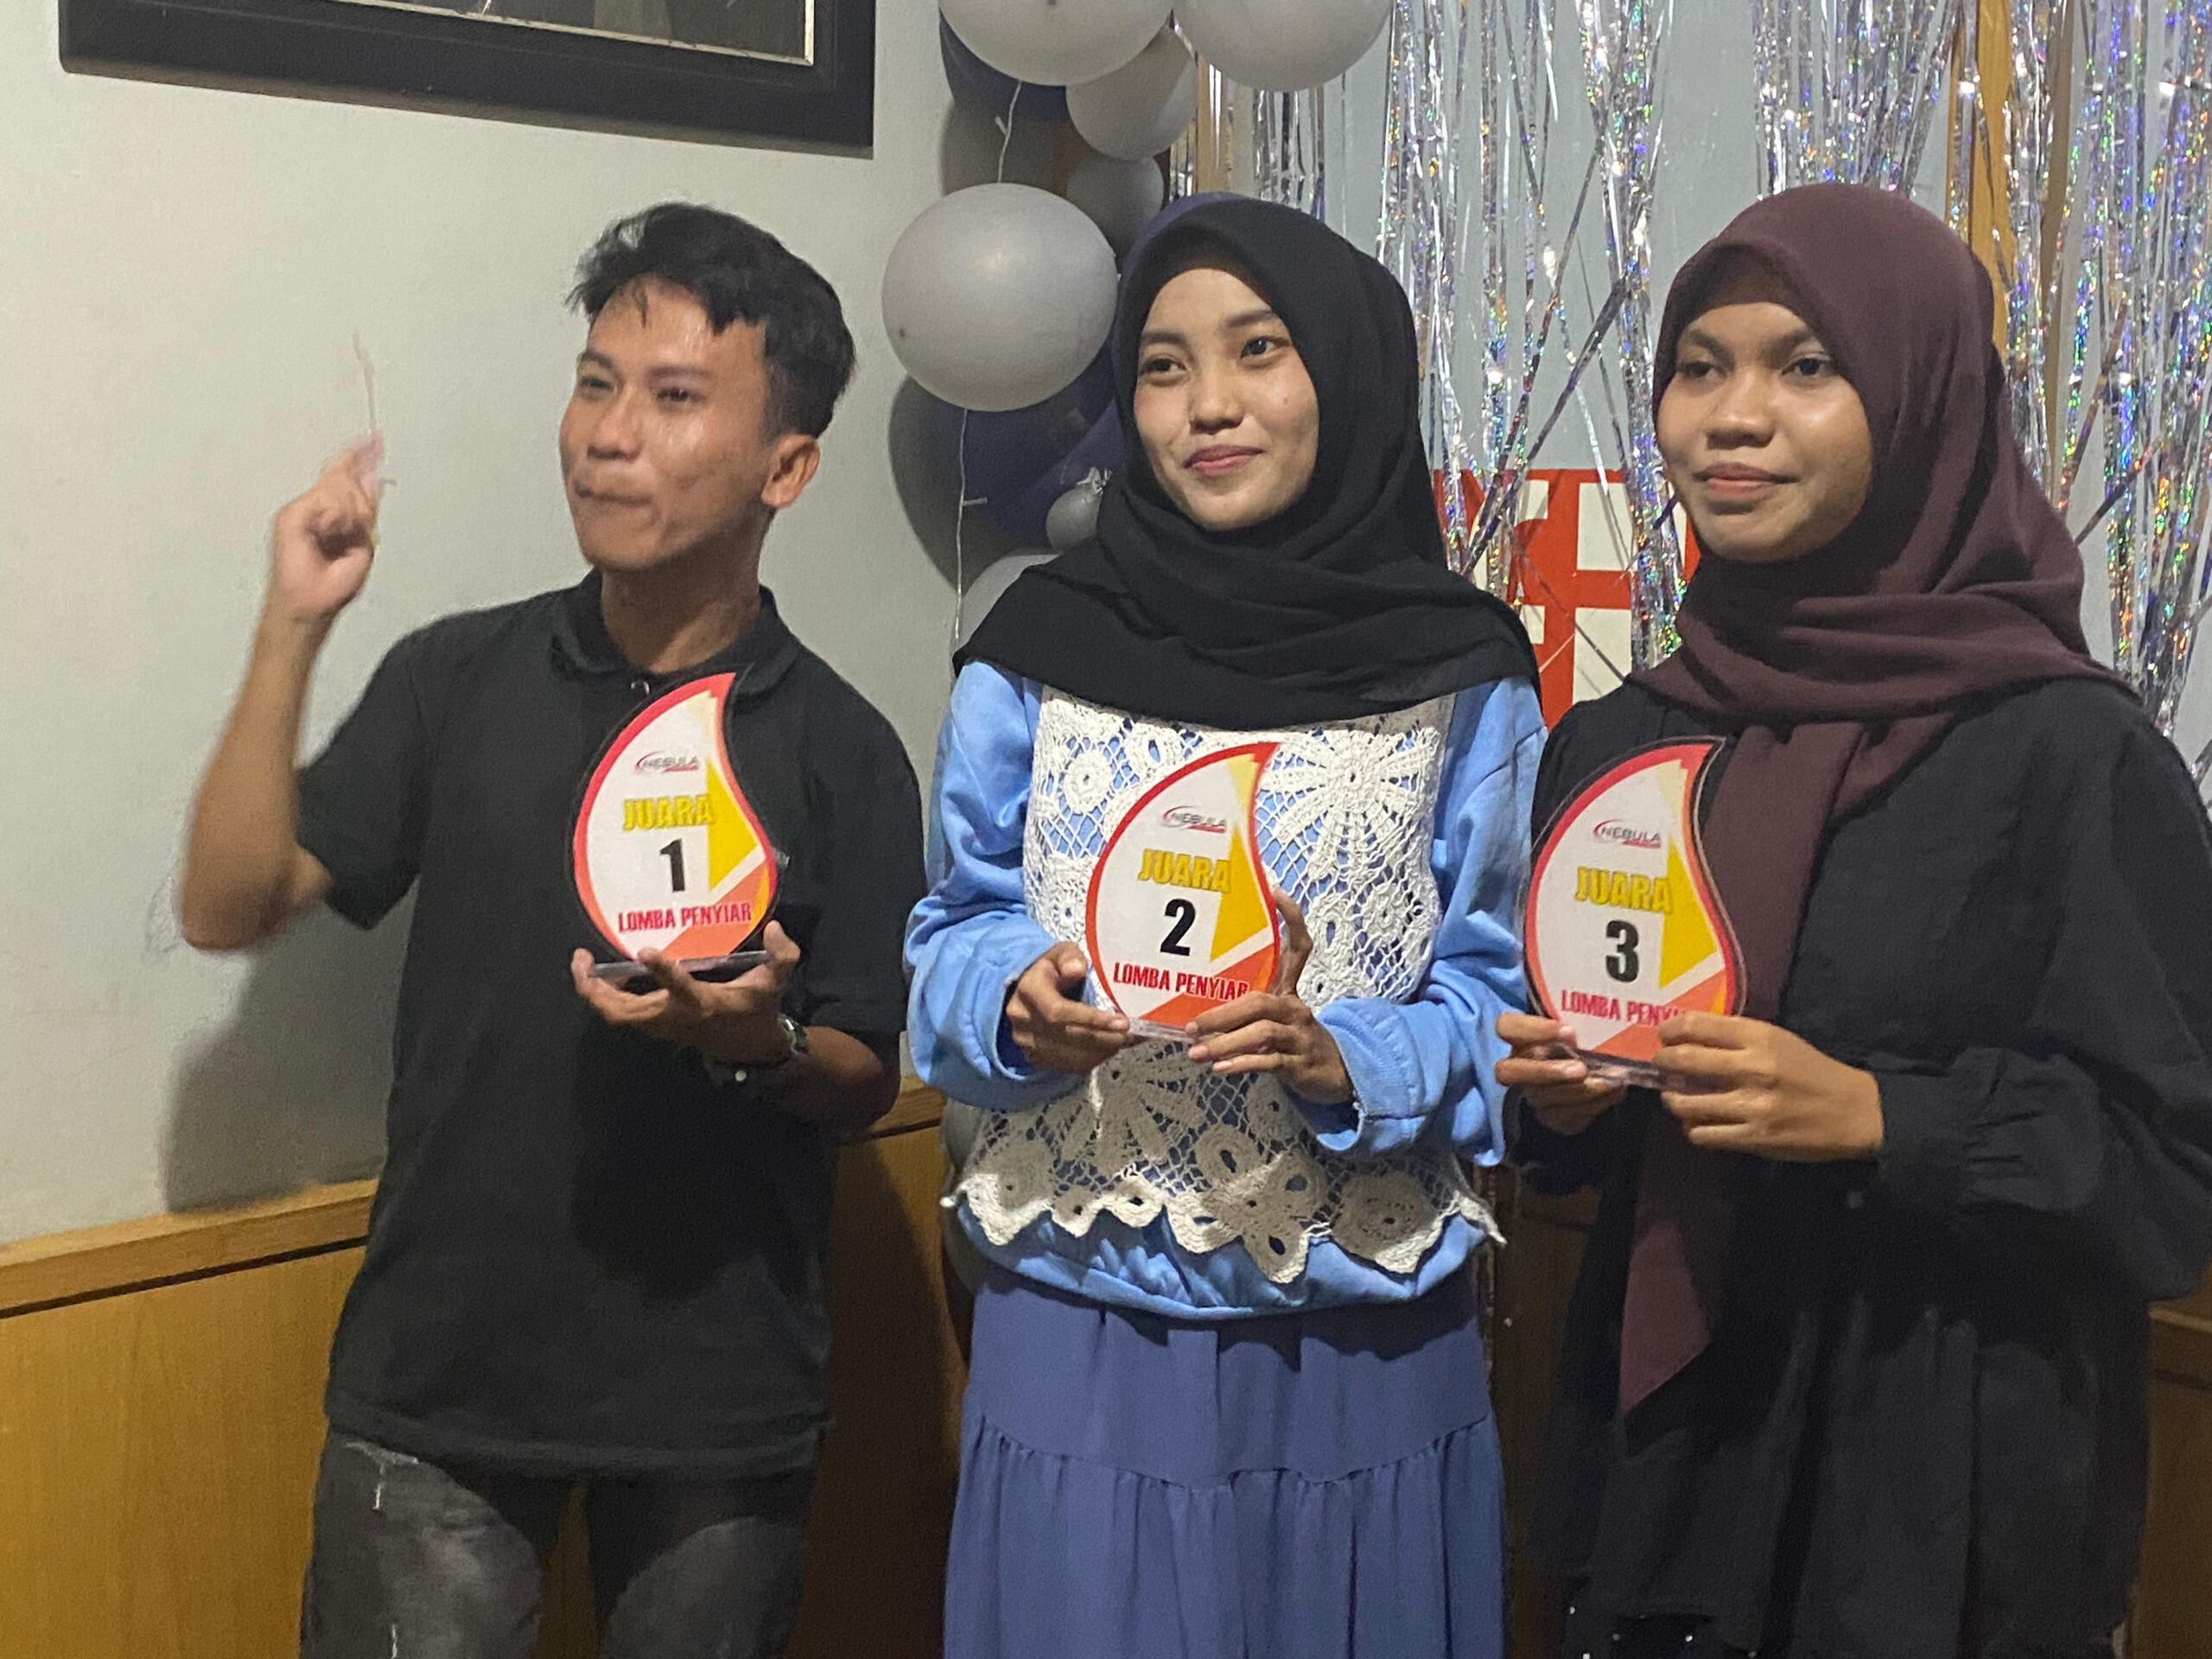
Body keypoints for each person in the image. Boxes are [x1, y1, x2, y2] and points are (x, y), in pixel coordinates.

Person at [178, 203, 924, 1659]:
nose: (608, 436)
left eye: (673, 396)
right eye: (595, 384)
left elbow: (861, 1074)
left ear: (787, 465)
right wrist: (292, 626)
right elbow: (226, 906)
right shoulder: (456, 678)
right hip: (440, 1376)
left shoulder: (842, 748)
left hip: (719, 1393)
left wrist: (756, 1041)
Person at [1495, 182, 2212, 1658]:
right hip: (1668, 1469)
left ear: (1924, 397)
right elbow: (1579, 1121)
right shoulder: (1630, 740)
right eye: (1700, 367)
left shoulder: (2069, 756)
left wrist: (1887, 1120)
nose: (1734, 418)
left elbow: (2168, 1173)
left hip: (1934, 1487)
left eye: (1805, 367)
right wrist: (1561, 1096)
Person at [906, 196, 1545, 1659]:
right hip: (1083, 1308)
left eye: (1259, 350)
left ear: (1349, 372)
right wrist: (1011, 1002)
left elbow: (1500, 995)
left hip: (1358, 1321)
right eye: (1163, 366)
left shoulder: (1460, 673)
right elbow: (951, 923)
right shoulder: (1036, 649)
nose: (1208, 405)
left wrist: (1349, 1059)